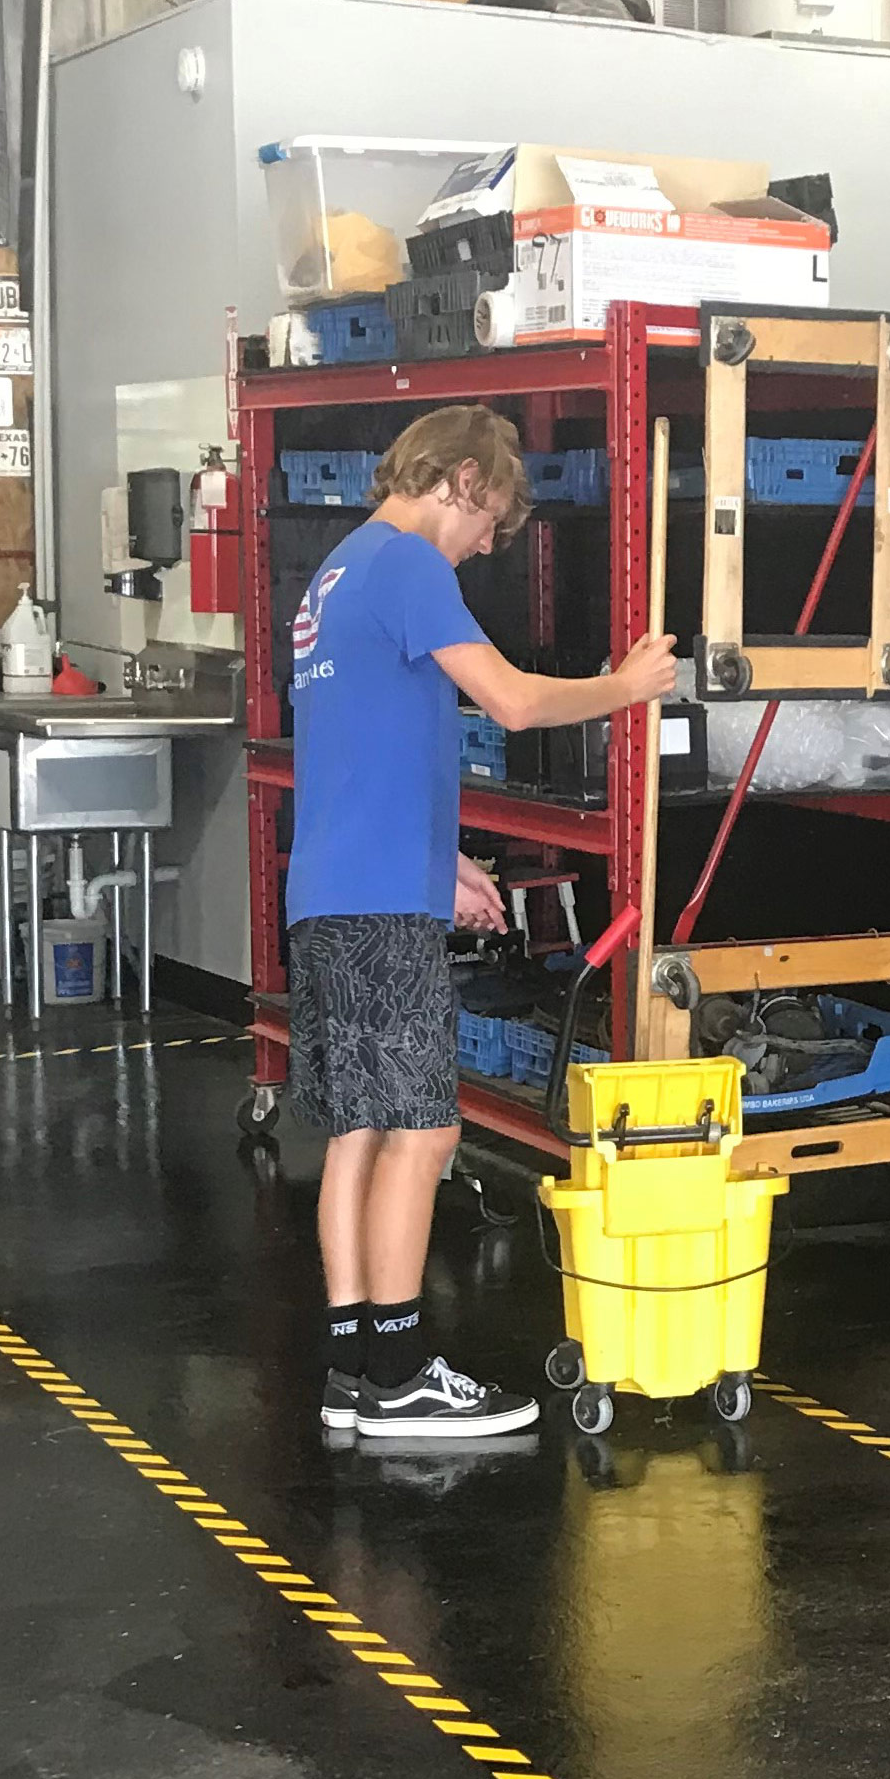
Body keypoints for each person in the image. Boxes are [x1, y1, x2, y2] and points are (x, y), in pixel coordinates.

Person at [285, 403, 674, 1438]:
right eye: (492, 517)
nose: (489, 543)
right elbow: (508, 702)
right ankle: (404, 1371)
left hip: (334, 885)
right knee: (423, 1125)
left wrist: (440, 859)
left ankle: (356, 1370)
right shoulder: (413, 562)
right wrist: (626, 687)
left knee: (360, 1132)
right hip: (376, 904)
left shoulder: (338, 572)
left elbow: (357, 752)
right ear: (463, 478)